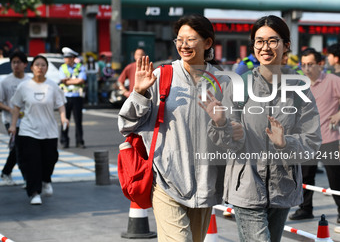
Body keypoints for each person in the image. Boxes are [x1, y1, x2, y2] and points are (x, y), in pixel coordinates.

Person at [118, 14, 243, 242]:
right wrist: (140, 93)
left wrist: (221, 122)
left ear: (207, 43)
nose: (183, 45)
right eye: (180, 39)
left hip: (206, 185)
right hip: (166, 181)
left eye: (191, 39)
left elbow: (234, 142)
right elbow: (126, 124)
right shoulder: (161, 76)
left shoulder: (224, 83)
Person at [203, 15, 321, 242]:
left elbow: (312, 141)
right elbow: (226, 142)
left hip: (283, 187)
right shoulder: (240, 84)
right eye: (259, 41)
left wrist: (286, 143)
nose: (265, 47)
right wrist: (222, 125)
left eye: (272, 41)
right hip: (246, 186)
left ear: (286, 45)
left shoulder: (299, 89)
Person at [289, 48, 340, 223]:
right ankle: (305, 209)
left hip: (329, 139)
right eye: (303, 65)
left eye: (310, 64)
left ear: (320, 64)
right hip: (306, 141)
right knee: (305, 178)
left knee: (335, 180)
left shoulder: (333, 81)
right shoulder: (300, 84)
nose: (306, 68)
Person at [9, 55, 69, 205]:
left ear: (47, 68)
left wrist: (64, 118)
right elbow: (16, 107)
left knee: (50, 159)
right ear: (32, 67)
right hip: (28, 130)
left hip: (49, 130)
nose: (40, 68)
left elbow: (61, 104)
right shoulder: (24, 86)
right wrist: (13, 125)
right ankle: (34, 192)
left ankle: (46, 179)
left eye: (43, 65)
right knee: (32, 162)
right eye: (37, 65)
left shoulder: (52, 86)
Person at [0, 51, 30, 186]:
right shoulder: (5, 81)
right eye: (13, 62)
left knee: (18, 148)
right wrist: (10, 109)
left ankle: (6, 172)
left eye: (19, 62)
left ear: (25, 64)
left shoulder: (29, 81)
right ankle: (27, 178)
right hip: (10, 121)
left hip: (27, 120)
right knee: (20, 148)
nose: (16, 65)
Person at [59, 47, 86, 149]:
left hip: (77, 97)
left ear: (73, 58)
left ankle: (80, 141)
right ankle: (64, 141)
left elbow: (81, 81)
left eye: (68, 57)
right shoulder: (62, 68)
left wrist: (68, 80)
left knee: (78, 121)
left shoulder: (80, 67)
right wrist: (74, 80)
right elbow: (62, 80)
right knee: (65, 120)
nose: (66, 59)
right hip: (65, 97)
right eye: (65, 57)